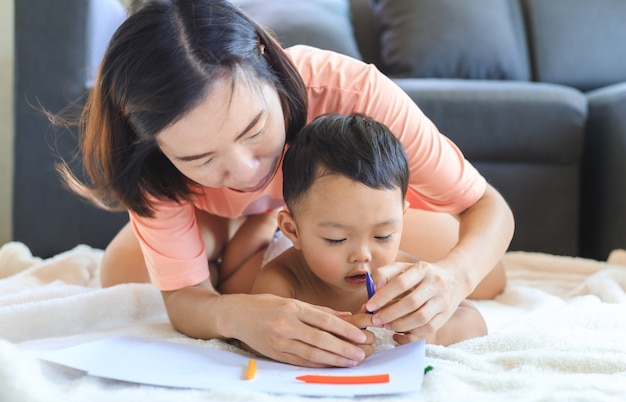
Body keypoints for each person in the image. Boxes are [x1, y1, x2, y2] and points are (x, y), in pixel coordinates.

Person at [58, 0, 514, 367]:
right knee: (124, 275)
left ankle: (255, 243)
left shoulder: (355, 93)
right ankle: (248, 238)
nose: (244, 173)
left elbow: (486, 206)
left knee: (487, 274)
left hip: (332, 211)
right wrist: (233, 315)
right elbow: (183, 298)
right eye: (200, 159)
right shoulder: (151, 166)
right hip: (218, 219)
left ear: (266, 64)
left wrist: (454, 278)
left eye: (254, 131)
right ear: (157, 148)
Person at [252, 113, 488, 346]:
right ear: (293, 231)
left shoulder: (404, 279)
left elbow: (475, 322)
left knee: (493, 280)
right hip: (263, 243)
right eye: (337, 239)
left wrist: (433, 332)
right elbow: (257, 337)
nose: (363, 254)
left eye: (383, 235)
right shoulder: (282, 281)